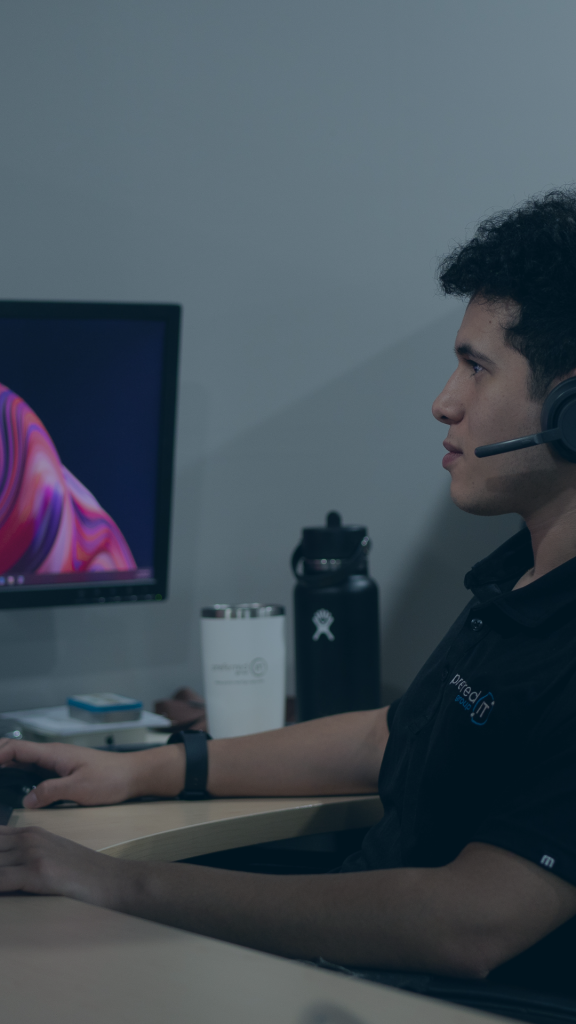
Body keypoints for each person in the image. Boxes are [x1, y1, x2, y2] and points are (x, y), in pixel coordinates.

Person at [1, 189, 576, 1005]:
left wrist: (117, 882)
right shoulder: (522, 576)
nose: (445, 401)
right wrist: (147, 771)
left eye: (476, 367)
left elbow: (468, 924)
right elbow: (393, 734)